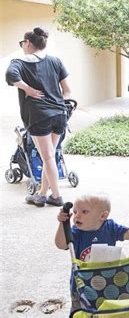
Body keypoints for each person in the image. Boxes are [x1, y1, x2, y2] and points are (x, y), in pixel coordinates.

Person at [5, 27, 72, 207]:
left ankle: (57, 196)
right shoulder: (55, 61)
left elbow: (10, 75)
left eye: (23, 43)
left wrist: (27, 89)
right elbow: (67, 91)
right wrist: (58, 105)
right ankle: (42, 194)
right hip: (60, 114)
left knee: (47, 157)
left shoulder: (20, 61)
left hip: (38, 116)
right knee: (50, 155)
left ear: (28, 43)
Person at [55, 193, 129, 312]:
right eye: (74, 212)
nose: (77, 216)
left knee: (108, 310)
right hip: (82, 284)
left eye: (84, 212)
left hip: (108, 280)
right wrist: (62, 224)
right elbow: (61, 244)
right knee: (80, 311)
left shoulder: (110, 227)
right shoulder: (76, 232)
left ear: (103, 215)